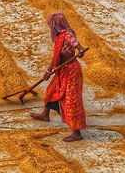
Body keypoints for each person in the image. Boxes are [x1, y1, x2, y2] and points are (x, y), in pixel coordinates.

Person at [30, 12, 87, 141]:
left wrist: (81, 51)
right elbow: (56, 57)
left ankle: (76, 132)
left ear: (55, 24)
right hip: (62, 70)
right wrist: (48, 70)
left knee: (71, 99)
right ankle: (45, 115)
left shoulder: (67, 35)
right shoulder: (59, 37)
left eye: (51, 23)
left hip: (72, 71)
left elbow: (79, 48)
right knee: (52, 89)